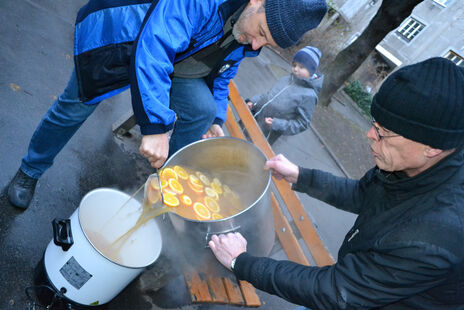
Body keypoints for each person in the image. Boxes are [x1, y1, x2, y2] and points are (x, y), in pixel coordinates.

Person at [7, 0, 328, 209]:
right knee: (75, 105)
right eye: (260, 33)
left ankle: (158, 177)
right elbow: (155, 45)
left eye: (266, 44)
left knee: (202, 110)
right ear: (257, 1)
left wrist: (218, 117)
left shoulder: (248, 33)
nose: (256, 44)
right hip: (123, 38)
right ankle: (30, 170)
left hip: (174, 64)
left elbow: (222, 73)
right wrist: (157, 126)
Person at [209, 57, 464, 308]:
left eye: (383, 132)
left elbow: (336, 291)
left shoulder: (433, 237)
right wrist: (301, 175)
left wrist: (240, 262)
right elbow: (364, 195)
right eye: (374, 124)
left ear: (432, 147)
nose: (369, 134)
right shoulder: (412, 165)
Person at [246, 46, 323, 145]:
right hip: (253, 118)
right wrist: (253, 101)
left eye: (301, 67)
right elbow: (268, 96)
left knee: (247, 153)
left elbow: (302, 124)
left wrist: (276, 124)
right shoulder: (285, 79)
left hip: (266, 133)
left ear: (311, 71)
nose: (295, 69)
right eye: (294, 65)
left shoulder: (309, 95)